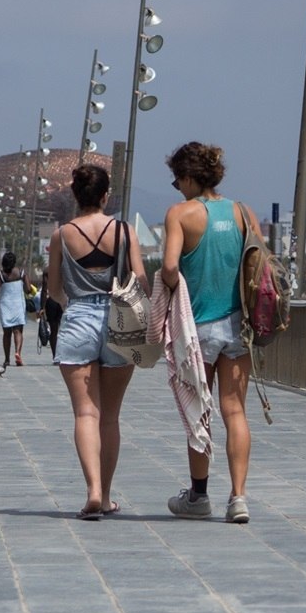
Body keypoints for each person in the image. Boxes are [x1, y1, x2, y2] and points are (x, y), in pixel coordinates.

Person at [158, 141, 261, 524]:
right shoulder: (243, 213)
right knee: (235, 410)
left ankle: (199, 496)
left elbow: (169, 268)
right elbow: (259, 267)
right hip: (238, 326)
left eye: (177, 180)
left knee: (199, 413)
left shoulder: (181, 214)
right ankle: (238, 497)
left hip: (197, 328)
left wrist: (175, 284)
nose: (177, 187)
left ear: (188, 177)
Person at [46, 163, 144, 521]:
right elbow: (140, 278)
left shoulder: (61, 235)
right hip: (120, 321)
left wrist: (72, 300)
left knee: (86, 412)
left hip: (78, 319)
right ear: (105, 197)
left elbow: (55, 288)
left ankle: (92, 492)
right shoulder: (124, 230)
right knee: (111, 416)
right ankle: (106, 497)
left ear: (76, 196)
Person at [0, 250, 28, 367]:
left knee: (7, 333)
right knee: (18, 331)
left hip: (5, 305)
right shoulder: (21, 272)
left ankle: (6, 359)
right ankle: (18, 352)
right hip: (18, 304)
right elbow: (29, 289)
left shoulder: (0, 275)